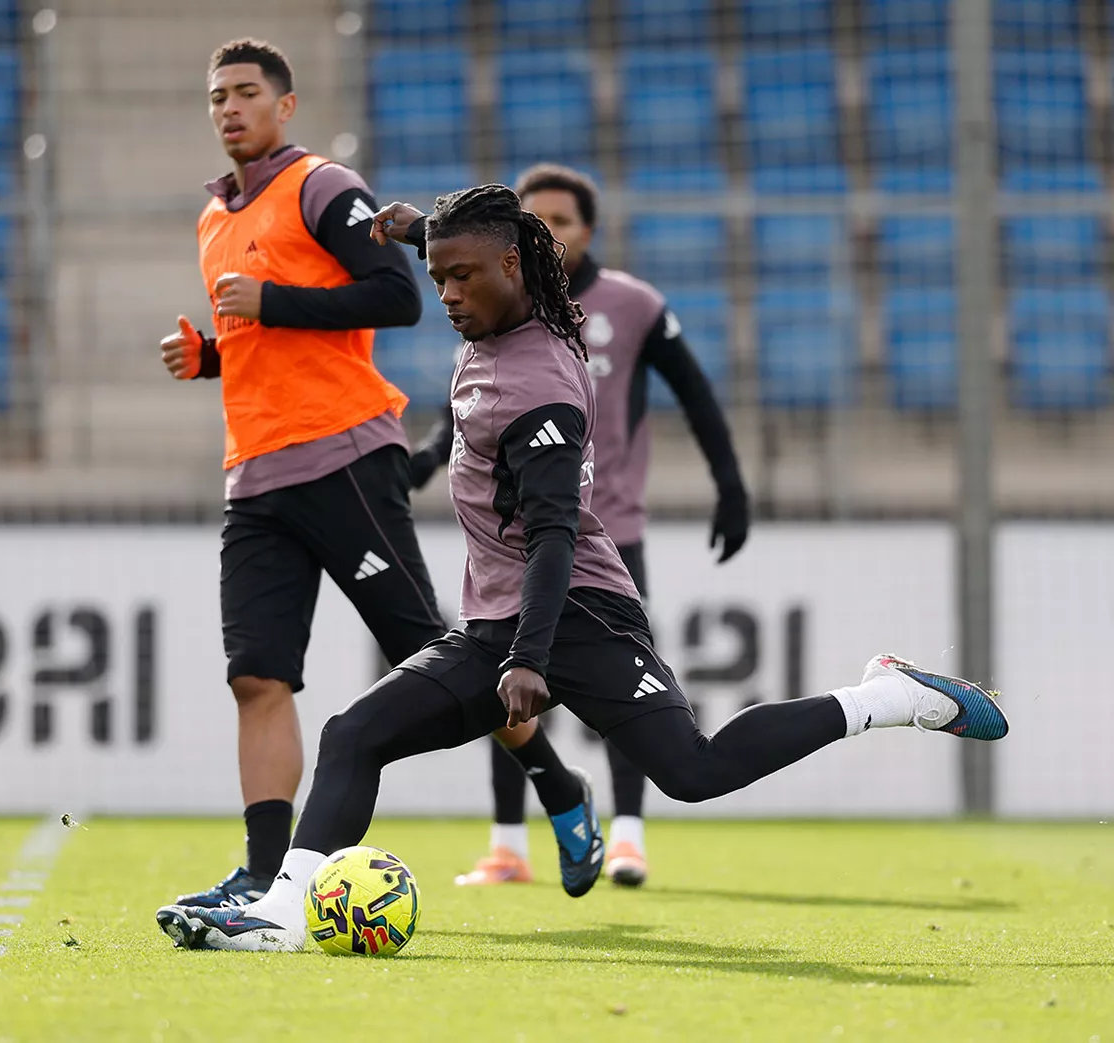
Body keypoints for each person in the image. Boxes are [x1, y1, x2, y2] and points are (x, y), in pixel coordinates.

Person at [154, 184, 1008, 952]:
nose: (447, 295)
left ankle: (885, 696)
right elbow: (479, 248)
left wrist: (529, 657)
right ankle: (284, 911)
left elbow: (554, 534)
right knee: (353, 735)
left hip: (581, 614)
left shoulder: (541, 387)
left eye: (461, 277)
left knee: (694, 771)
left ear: (512, 267)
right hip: (499, 623)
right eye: (438, 277)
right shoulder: (503, 301)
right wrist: (417, 231)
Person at [157, 42, 599, 908]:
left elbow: (397, 295)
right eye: (217, 97)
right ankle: (261, 873)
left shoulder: (322, 186)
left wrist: (270, 301)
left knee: (428, 654)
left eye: (246, 93)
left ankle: (557, 784)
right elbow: (268, 343)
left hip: (345, 458)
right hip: (253, 473)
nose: (229, 109)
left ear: (285, 106)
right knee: (257, 675)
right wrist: (211, 355)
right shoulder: (214, 217)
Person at [405, 165, 749, 889]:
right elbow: (465, 414)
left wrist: (730, 484)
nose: (550, 233)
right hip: (517, 541)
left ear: (588, 230)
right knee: (501, 688)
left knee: (626, 695)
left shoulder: (631, 304)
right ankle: (508, 842)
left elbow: (696, 394)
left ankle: (627, 835)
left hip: (603, 533)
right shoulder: (492, 308)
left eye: (562, 221)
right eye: (539, 220)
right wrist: (426, 460)